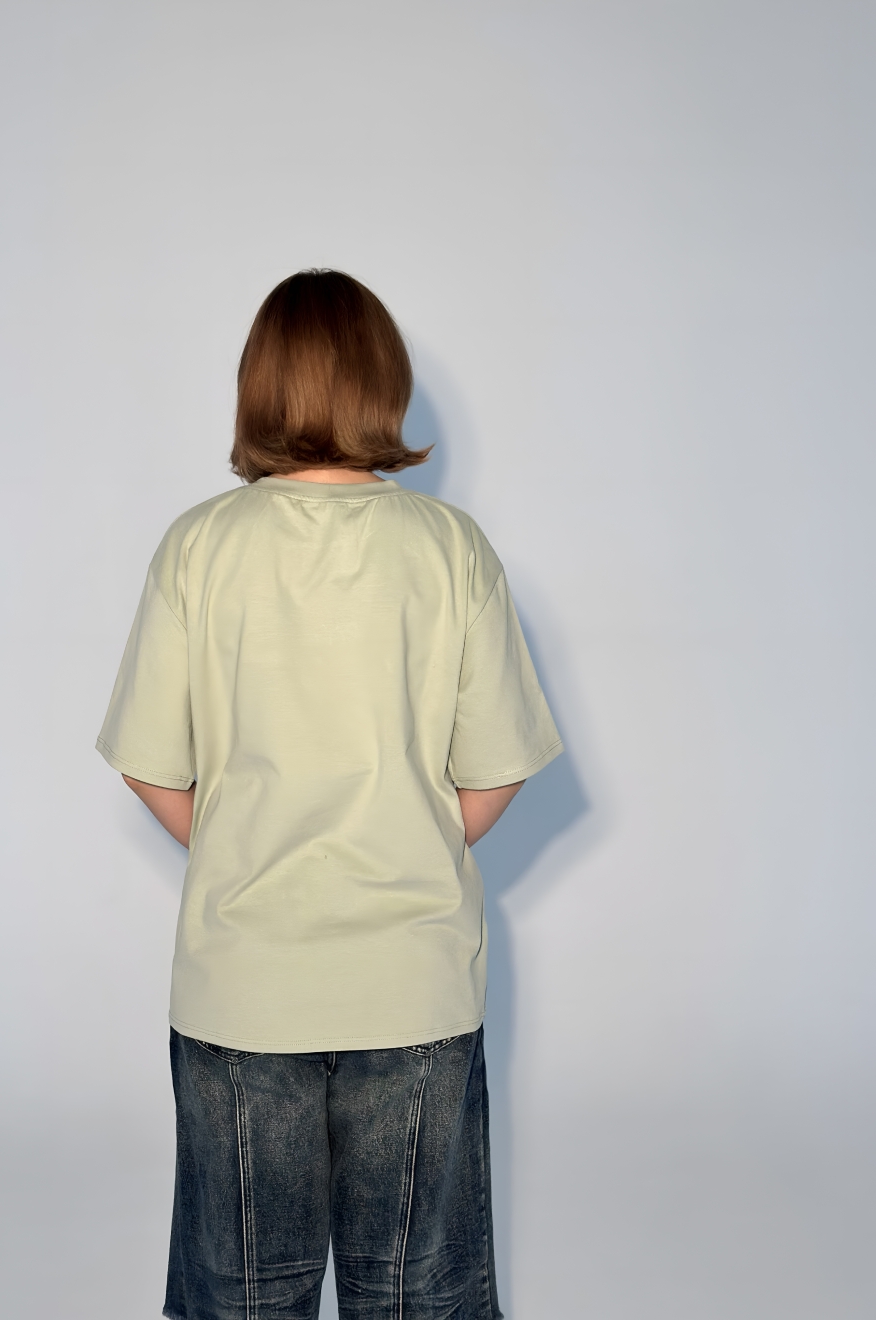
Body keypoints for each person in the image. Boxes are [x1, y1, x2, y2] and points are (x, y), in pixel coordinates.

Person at [96, 269, 563, 1320]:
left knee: (243, 1293)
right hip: (414, 981)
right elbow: (500, 765)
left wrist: (236, 845)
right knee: (417, 1293)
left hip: (243, 980)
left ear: (258, 385)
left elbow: (150, 763)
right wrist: (413, 840)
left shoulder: (200, 546)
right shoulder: (449, 548)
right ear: (382, 384)